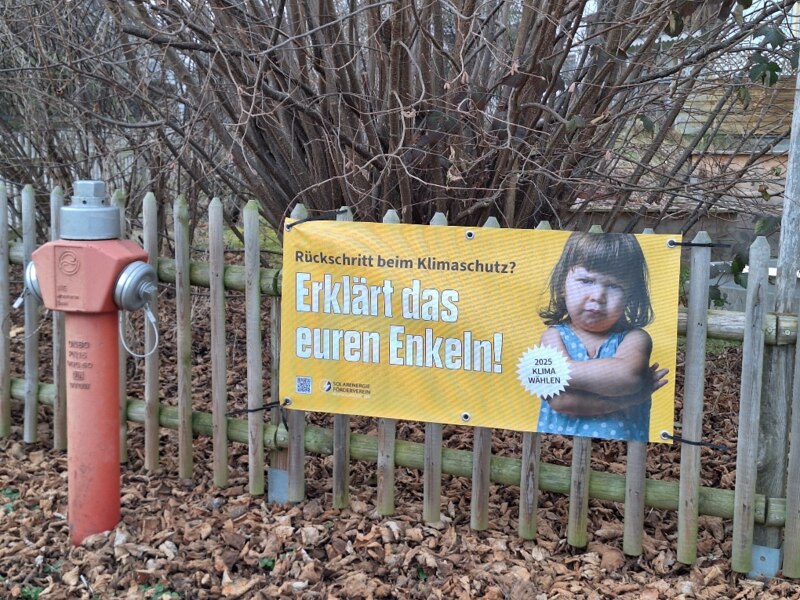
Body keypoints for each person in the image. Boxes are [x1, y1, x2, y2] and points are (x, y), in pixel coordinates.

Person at [536, 231, 668, 442]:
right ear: (562, 284)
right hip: (557, 453)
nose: (598, 296)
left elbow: (626, 377)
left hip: (620, 457)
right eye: (586, 281)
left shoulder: (635, 338)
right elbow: (562, 401)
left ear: (631, 295)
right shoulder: (553, 336)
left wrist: (558, 372)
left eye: (614, 286)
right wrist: (624, 401)